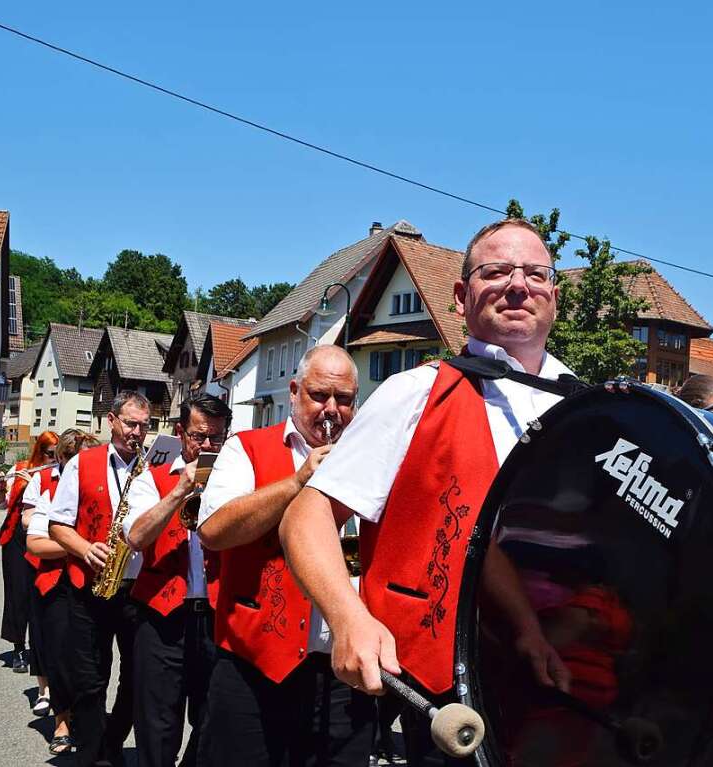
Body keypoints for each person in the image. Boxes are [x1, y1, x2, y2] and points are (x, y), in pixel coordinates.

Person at [280, 218, 574, 764]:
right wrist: (348, 618)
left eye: (535, 273)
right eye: (496, 271)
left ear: (554, 296)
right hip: (447, 688)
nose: (518, 284)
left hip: (557, 686)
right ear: (461, 296)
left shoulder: (583, 410)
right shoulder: (414, 393)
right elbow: (306, 516)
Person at [195, 345, 375, 767]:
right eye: (318, 395)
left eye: (344, 399)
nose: (331, 409)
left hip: (343, 673)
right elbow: (213, 531)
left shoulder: (372, 458)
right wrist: (298, 482)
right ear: (294, 391)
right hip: (254, 666)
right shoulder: (246, 449)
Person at [122, 393, 231, 767]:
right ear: (180, 433)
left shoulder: (233, 482)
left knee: (216, 718)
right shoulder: (149, 480)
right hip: (161, 616)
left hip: (217, 616)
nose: (207, 445)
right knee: (157, 723)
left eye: (216, 438)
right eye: (199, 436)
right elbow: (136, 536)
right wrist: (180, 489)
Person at [49, 391, 150, 767]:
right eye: (130, 423)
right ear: (112, 421)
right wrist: (85, 548)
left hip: (136, 589)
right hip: (89, 587)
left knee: (136, 676)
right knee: (90, 680)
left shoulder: (152, 466)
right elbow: (57, 524)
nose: (136, 433)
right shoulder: (82, 463)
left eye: (143, 426)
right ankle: (93, 755)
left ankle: (111, 743)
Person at [25, 428, 102, 756]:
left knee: (93, 660)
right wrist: (78, 547)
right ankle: (62, 722)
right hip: (56, 586)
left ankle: (89, 724)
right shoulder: (51, 489)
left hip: (94, 585)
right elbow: (35, 542)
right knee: (59, 658)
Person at [0, 430, 59, 676]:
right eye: (49, 454)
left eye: (57, 454)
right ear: (39, 452)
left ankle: (40, 648)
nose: (53, 459)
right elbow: (2, 505)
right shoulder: (21, 469)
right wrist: (3, 489)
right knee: (17, 592)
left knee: (41, 591)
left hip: (45, 535)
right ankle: (19, 648)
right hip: (17, 539)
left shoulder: (58, 473)